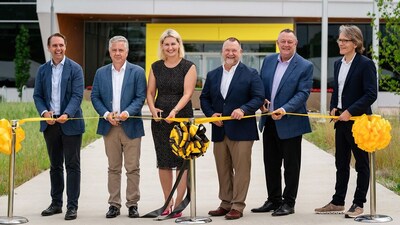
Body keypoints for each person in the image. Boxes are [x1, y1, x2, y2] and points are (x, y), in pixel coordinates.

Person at [314, 25, 377, 218]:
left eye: (344, 40)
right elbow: (337, 90)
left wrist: (350, 111)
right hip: (340, 121)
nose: (340, 43)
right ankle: (337, 201)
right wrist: (333, 107)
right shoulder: (338, 64)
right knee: (341, 163)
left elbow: (370, 94)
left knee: (361, 165)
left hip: (358, 121)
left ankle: (358, 204)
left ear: (355, 43)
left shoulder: (365, 64)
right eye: (339, 40)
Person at [200, 37, 265, 220]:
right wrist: (211, 114)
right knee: (223, 168)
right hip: (220, 130)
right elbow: (204, 98)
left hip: (242, 131)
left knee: (241, 169)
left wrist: (243, 109)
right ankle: (225, 203)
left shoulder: (251, 73)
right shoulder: (213, 75)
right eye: (227, 50)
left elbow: (259, 97)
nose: (230, 53)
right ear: (222, 52)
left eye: (234, 50)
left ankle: (237, 205)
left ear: (240, 53)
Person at [251, 29, 313, 216]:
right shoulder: (269, 60)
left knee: (291, 166)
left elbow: (303, 93)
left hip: (291, 122)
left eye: (290, 42)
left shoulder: (305, 65)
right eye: (283, 41)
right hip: (269, 121)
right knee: (271, 163)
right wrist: (261, 101)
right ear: (277, 42)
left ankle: (288, 203)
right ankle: (273, 199)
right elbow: (262, 86)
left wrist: (284, 109)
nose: (286, 45)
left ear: (296, 44)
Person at [91, 35, 147, 219]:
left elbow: (140, 97)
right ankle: (114, 204)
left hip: (131, 125)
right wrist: (107, 115)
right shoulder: (101, 73)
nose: (117, 53)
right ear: (110, 51)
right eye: (114, 50)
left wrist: (126, 113)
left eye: (121, 50)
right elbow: (95, 97)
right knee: (113, 167)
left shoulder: (137, 72)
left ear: (127, 52)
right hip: (110, 126)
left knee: (133, 167)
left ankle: (132, 204)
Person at [33, 33, 85, 221]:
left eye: (61, 45)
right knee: (55, 166)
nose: (58, 48)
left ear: (65, 46)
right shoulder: (42, 70)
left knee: (72, 166)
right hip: (50, 124)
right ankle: (56, 204)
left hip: (70, 123)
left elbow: (77, 95)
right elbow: (37, 95)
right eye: (54, 45)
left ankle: (72, 206)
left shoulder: (75, 69)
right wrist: (44, 113)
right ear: (49, 48)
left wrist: (67, 114)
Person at [146, 29, 197, 218]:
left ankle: (178, 205)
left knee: (182, 162)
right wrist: (152, 109)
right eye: (166, 44)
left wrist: (174, 111)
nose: (170, 47)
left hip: (181, 117)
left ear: (179, 45)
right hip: (160, 121)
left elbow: (187, 93)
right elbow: (150, 93)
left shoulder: (188, 66)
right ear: (162, 46)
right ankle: (167, 202)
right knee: (164, 163)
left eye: (173, 44)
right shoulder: (155, 67)